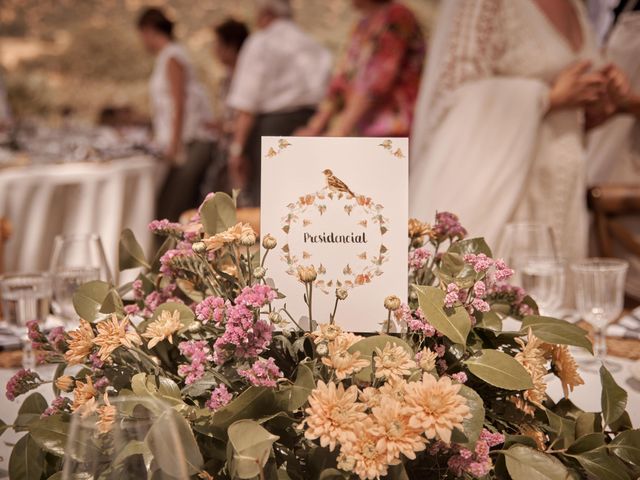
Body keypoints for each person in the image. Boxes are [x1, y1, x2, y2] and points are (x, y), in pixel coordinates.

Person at [410, 0, 611, 262]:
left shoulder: (576, 7)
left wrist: (603, 101)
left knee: (559, 295)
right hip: (508, 194)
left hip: (563, 190)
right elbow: (454, 92)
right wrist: (547, 98)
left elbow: (573, 112)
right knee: (501, 294)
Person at [226, 0, 333, 206]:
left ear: (265, 12)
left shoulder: (261, 42)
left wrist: (236, 149)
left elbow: (246, 103)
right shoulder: (312, 45)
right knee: (305, 197)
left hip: (271, 129)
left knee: (268, 200)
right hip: (311, 127)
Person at [297, 0, 425, 138]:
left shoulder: (397, 15)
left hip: (394, 127)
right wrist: (315, 127)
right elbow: (344, 78)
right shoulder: (363, 24)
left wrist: (340, 129)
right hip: (367, 127)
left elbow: (376, 80)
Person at [137, 7, 217, 221]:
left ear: (149, 31)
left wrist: (174, 145)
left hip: (190, 142)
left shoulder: (172, 56)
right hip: (184, 141)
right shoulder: (169, 56)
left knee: (172, 209)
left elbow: (179, 103)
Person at [200, 18, 250, 200]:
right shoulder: (228, 78)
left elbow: (245, 116)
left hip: (238, 150)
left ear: (230, 46)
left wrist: (227, 128)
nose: (214, 50)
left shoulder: (246, 78)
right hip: (226, 148)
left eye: (217, 44)